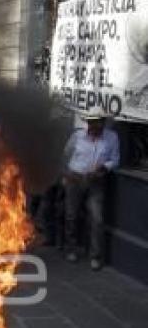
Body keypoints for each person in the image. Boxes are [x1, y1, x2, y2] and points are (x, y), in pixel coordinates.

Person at [63, 107, 120, 271]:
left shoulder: (112, 138)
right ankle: (71, 249)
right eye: (90, 122)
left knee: (97, 219)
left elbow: (115, 159)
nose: (92, 126)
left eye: (96, 123)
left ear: (103, 123)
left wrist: (104, 167)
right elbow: (65, 156)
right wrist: (66, 174)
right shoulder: (77, 136)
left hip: (96, 182)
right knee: (71, 215)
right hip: (75, 178)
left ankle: (95, 256)